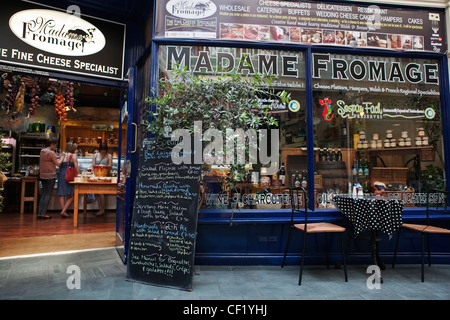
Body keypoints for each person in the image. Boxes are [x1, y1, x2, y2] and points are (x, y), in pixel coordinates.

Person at [38, 136, 63, 219]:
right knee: (47, 194)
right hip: (50, 176)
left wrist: (58, 157)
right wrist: (62, 157)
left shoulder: (42, 151)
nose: (55, 147)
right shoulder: (51, 153)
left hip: (42, 175)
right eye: (55, 145)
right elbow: (58, 164)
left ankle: (40, 212)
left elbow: (51, 159)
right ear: (52, 144)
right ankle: (44, 213)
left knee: (43, 194)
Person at [57, 142, 79, 218]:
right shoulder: (74, 156)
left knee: (61, 194)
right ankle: (63, 211)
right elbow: (76, 167)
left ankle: (64, 211)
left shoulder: (62, 155)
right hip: (70, 175)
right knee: (72, 195)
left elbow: (59, 166)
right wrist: (79, 174)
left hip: (62, 174)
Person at [92, 142, 112, 216]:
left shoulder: (109, 156)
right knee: (97, 193)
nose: (103, 151)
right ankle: (100, 209)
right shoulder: (95, 155)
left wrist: (103, 167)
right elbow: (93, 165)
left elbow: (110, 166)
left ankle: (102, 210)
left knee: (101, 192)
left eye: (104, 150)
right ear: (99, 149)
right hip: (96, 175)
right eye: (102, 150)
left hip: (104, 176)